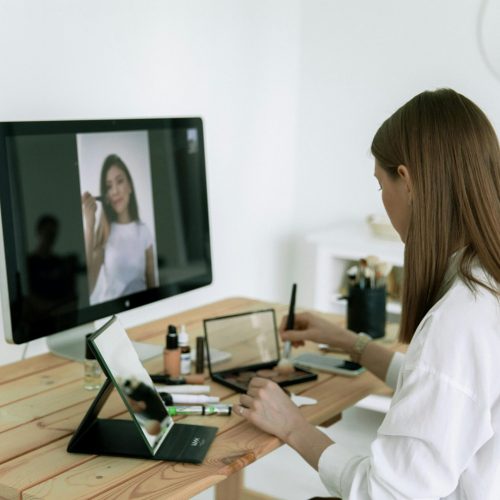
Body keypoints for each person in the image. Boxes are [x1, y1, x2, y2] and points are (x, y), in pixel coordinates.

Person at [234, 89, 500, 499]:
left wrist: (292, 426)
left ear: (407, 181)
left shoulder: (458, 321)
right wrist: (350, 343)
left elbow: (386, 492)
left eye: (381, 185)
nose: (383, 200)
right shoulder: (486, 283)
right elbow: (444, 394)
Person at [82, 154, 156, 304]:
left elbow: (152, 287)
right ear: (105, 195)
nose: (115, 191)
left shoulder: (144, 231)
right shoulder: (104, 233)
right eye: (109, 186)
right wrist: (89, 226)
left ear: (130, 186)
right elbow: (87, 288)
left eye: (120, 181)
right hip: (112, 314)